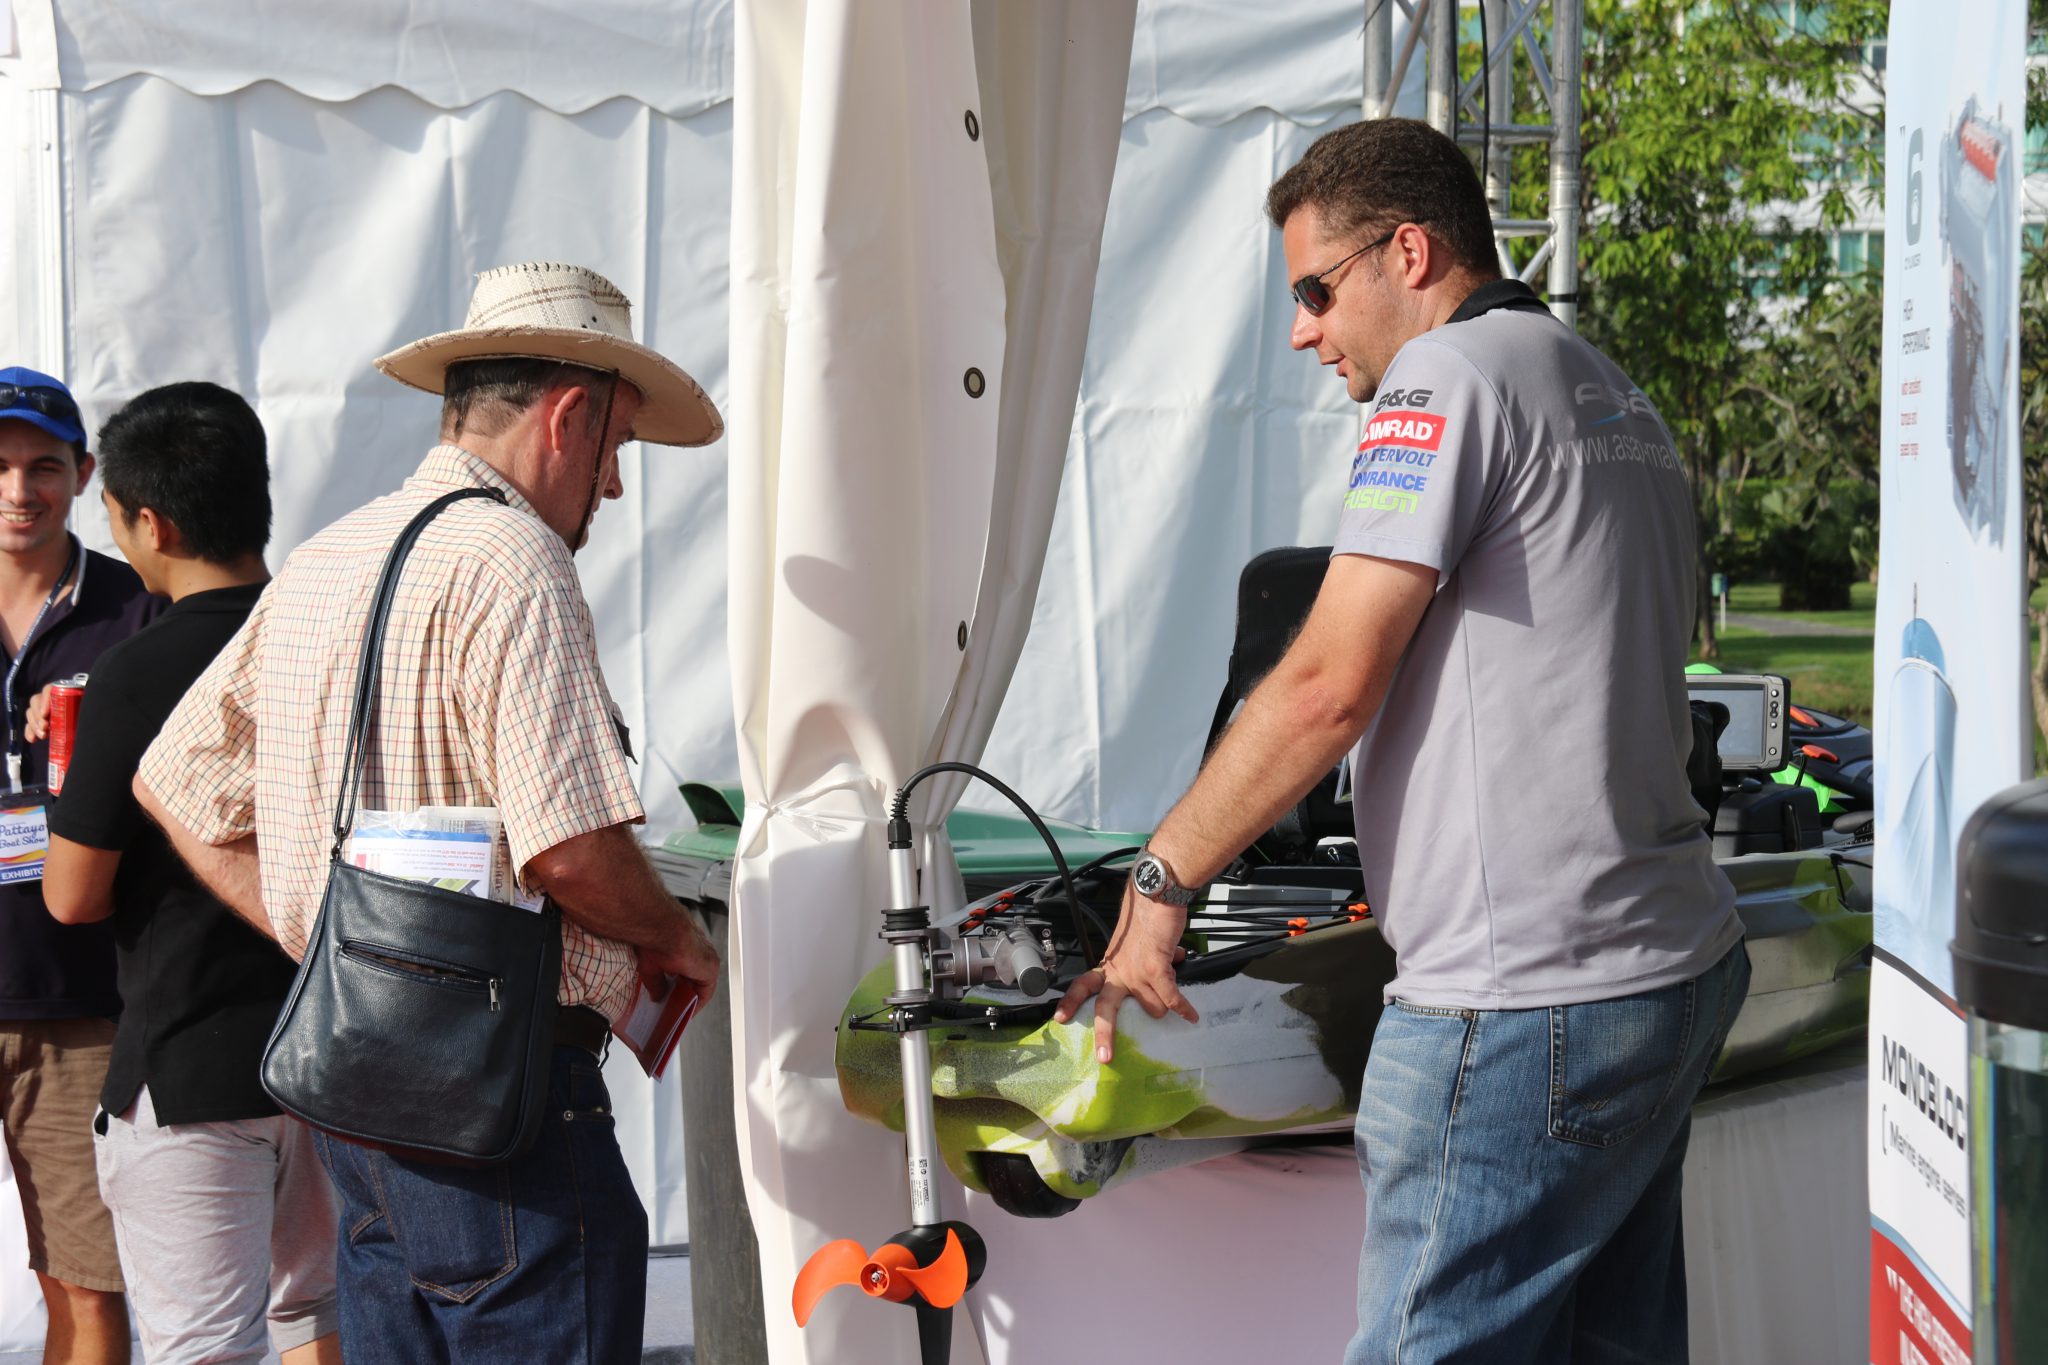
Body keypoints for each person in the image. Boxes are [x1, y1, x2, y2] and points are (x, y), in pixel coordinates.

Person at [1054, 120, 1750, 1363]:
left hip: (1521, 994)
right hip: (1661, 965)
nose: (1302, 331)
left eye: (1315, 291)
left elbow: (1325, 684)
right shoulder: (1605, 385)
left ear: (1409, 253)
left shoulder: (1442, 380)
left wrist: (1160, 884)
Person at [135, 262, 723, 1363]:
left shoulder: (329, 553)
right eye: (617, 447)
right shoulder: (515, 558)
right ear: (568, 416)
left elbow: (174, 782)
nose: (612, 485)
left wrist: (327, 937)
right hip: (500, 1107)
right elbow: (569, 849)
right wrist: (676, 938)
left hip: (359, 1091)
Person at [37, 382, 340, 1365]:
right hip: (341, 1044)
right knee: (321, 1314)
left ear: (150, 523)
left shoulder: (138, 669)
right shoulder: (337, 637)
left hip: (192, 1054)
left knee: (201, 1345)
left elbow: (72, 893)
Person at [0, 366, 160, 1365]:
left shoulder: (134, 609)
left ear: (85, 473)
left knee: (88, 1285)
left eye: (43, 467)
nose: (19, 490)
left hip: (80, 1000)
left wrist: (100, 737)